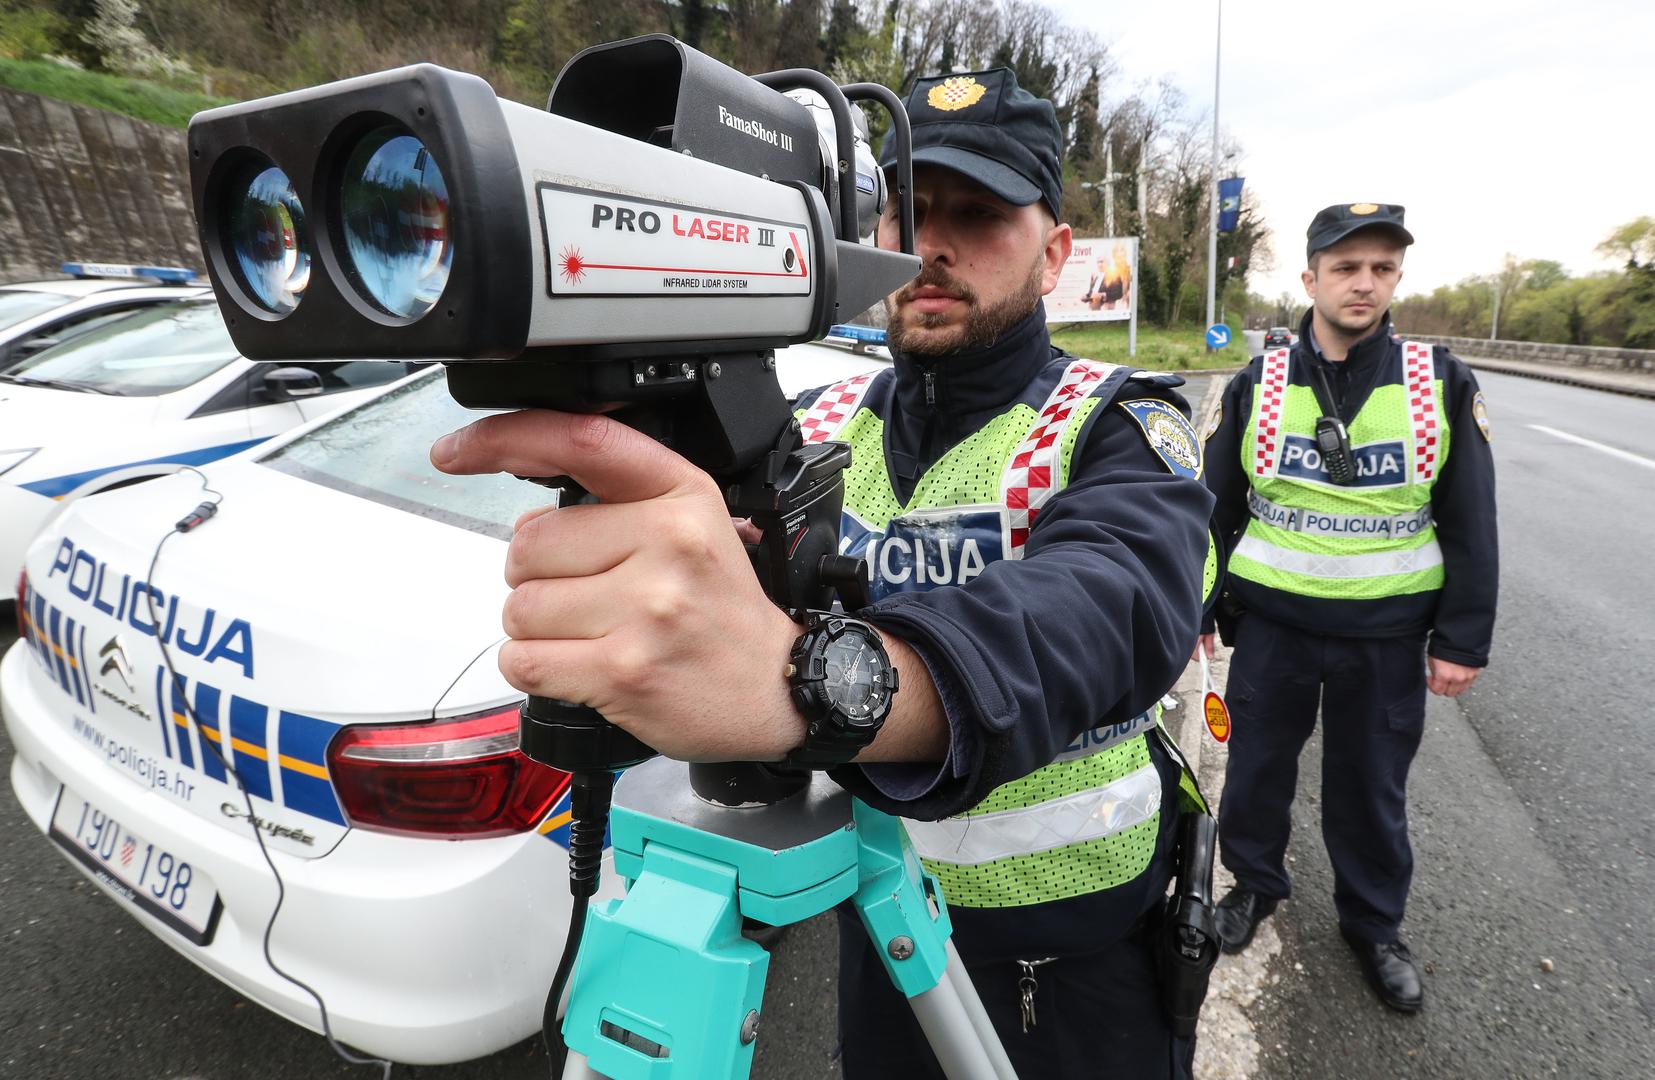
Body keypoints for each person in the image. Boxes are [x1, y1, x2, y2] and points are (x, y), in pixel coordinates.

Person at [432, 68, 1215, 1078]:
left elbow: (1109, 607)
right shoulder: (830, 425)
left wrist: (811, 687)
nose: (932, 243)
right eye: (908, 206)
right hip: (880, 907)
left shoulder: (1112, 426)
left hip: (1065, 944)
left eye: (979, 215)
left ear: (1055, 252)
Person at [1196, 203, 1498, 1013]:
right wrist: (1191, 608)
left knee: (1370, 789)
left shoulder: (1436, 380)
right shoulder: (1257, 381)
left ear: (1396, 277)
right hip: (1272, 631)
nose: (1363, 283)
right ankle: (1253, 888)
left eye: (1380, 268)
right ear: (1310, 278)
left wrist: (1461, 640)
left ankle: (1372, 925)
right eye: (1345, 267)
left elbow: (1470, 517)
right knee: (1255, 774)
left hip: (1386, 636)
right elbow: (1212, 508)